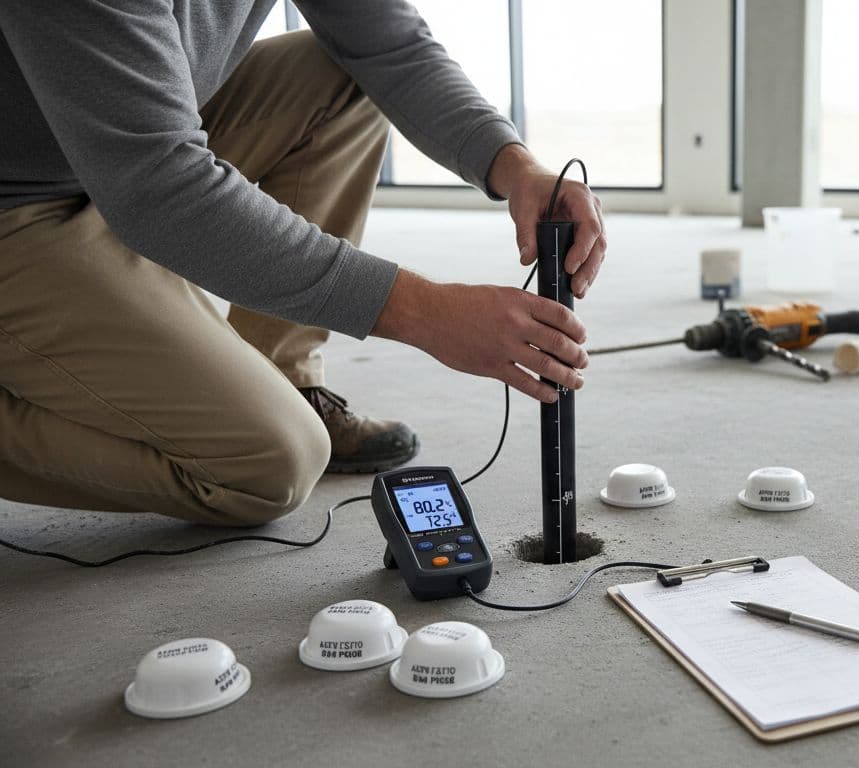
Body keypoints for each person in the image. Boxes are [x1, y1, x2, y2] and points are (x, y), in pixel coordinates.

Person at [0, 2, 605, 527]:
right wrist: (426, 312)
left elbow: (387, 44)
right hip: (25, 201)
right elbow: (159, 188)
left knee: (343, 73)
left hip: (126, 145)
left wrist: (514, 165)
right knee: (270, 464)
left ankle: (284, 368)